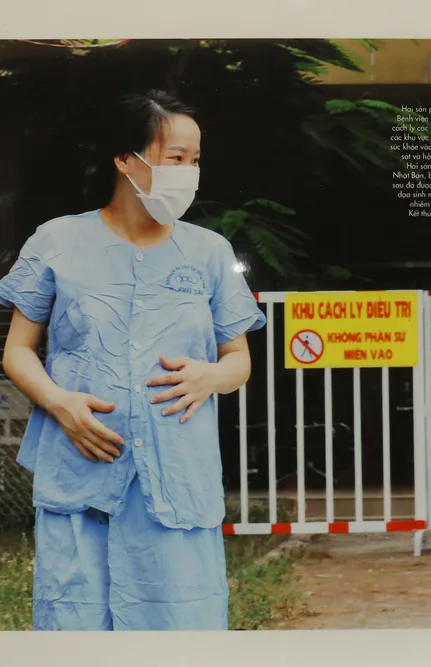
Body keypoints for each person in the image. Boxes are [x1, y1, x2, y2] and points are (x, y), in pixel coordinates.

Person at [0, 90, 266, 631]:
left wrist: (211, 376)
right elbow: (17, 350)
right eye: (176, 158)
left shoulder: (210, 252)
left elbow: (238, 360)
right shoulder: (57, 240)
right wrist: (60, 403)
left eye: (195, 160)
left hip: (177, 478)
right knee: (76, 638)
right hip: (81, 472)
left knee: (181, 639)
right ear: (126, 159)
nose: (189, 173)